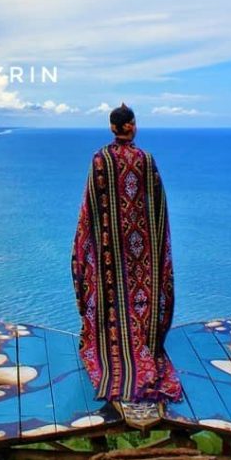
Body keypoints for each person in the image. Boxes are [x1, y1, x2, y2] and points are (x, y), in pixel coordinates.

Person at [71, 103, 183, 406]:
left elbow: (89, 209)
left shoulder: (100, 161)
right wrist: (154, 245)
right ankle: (142, 342)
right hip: (142, 249)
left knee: (113, 295)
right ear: (132, 126)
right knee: (140, 297)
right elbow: (159, 207)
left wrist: (88, 244)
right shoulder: (146, 160)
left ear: (112, 128)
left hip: (111, 249)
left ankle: (113, 343)